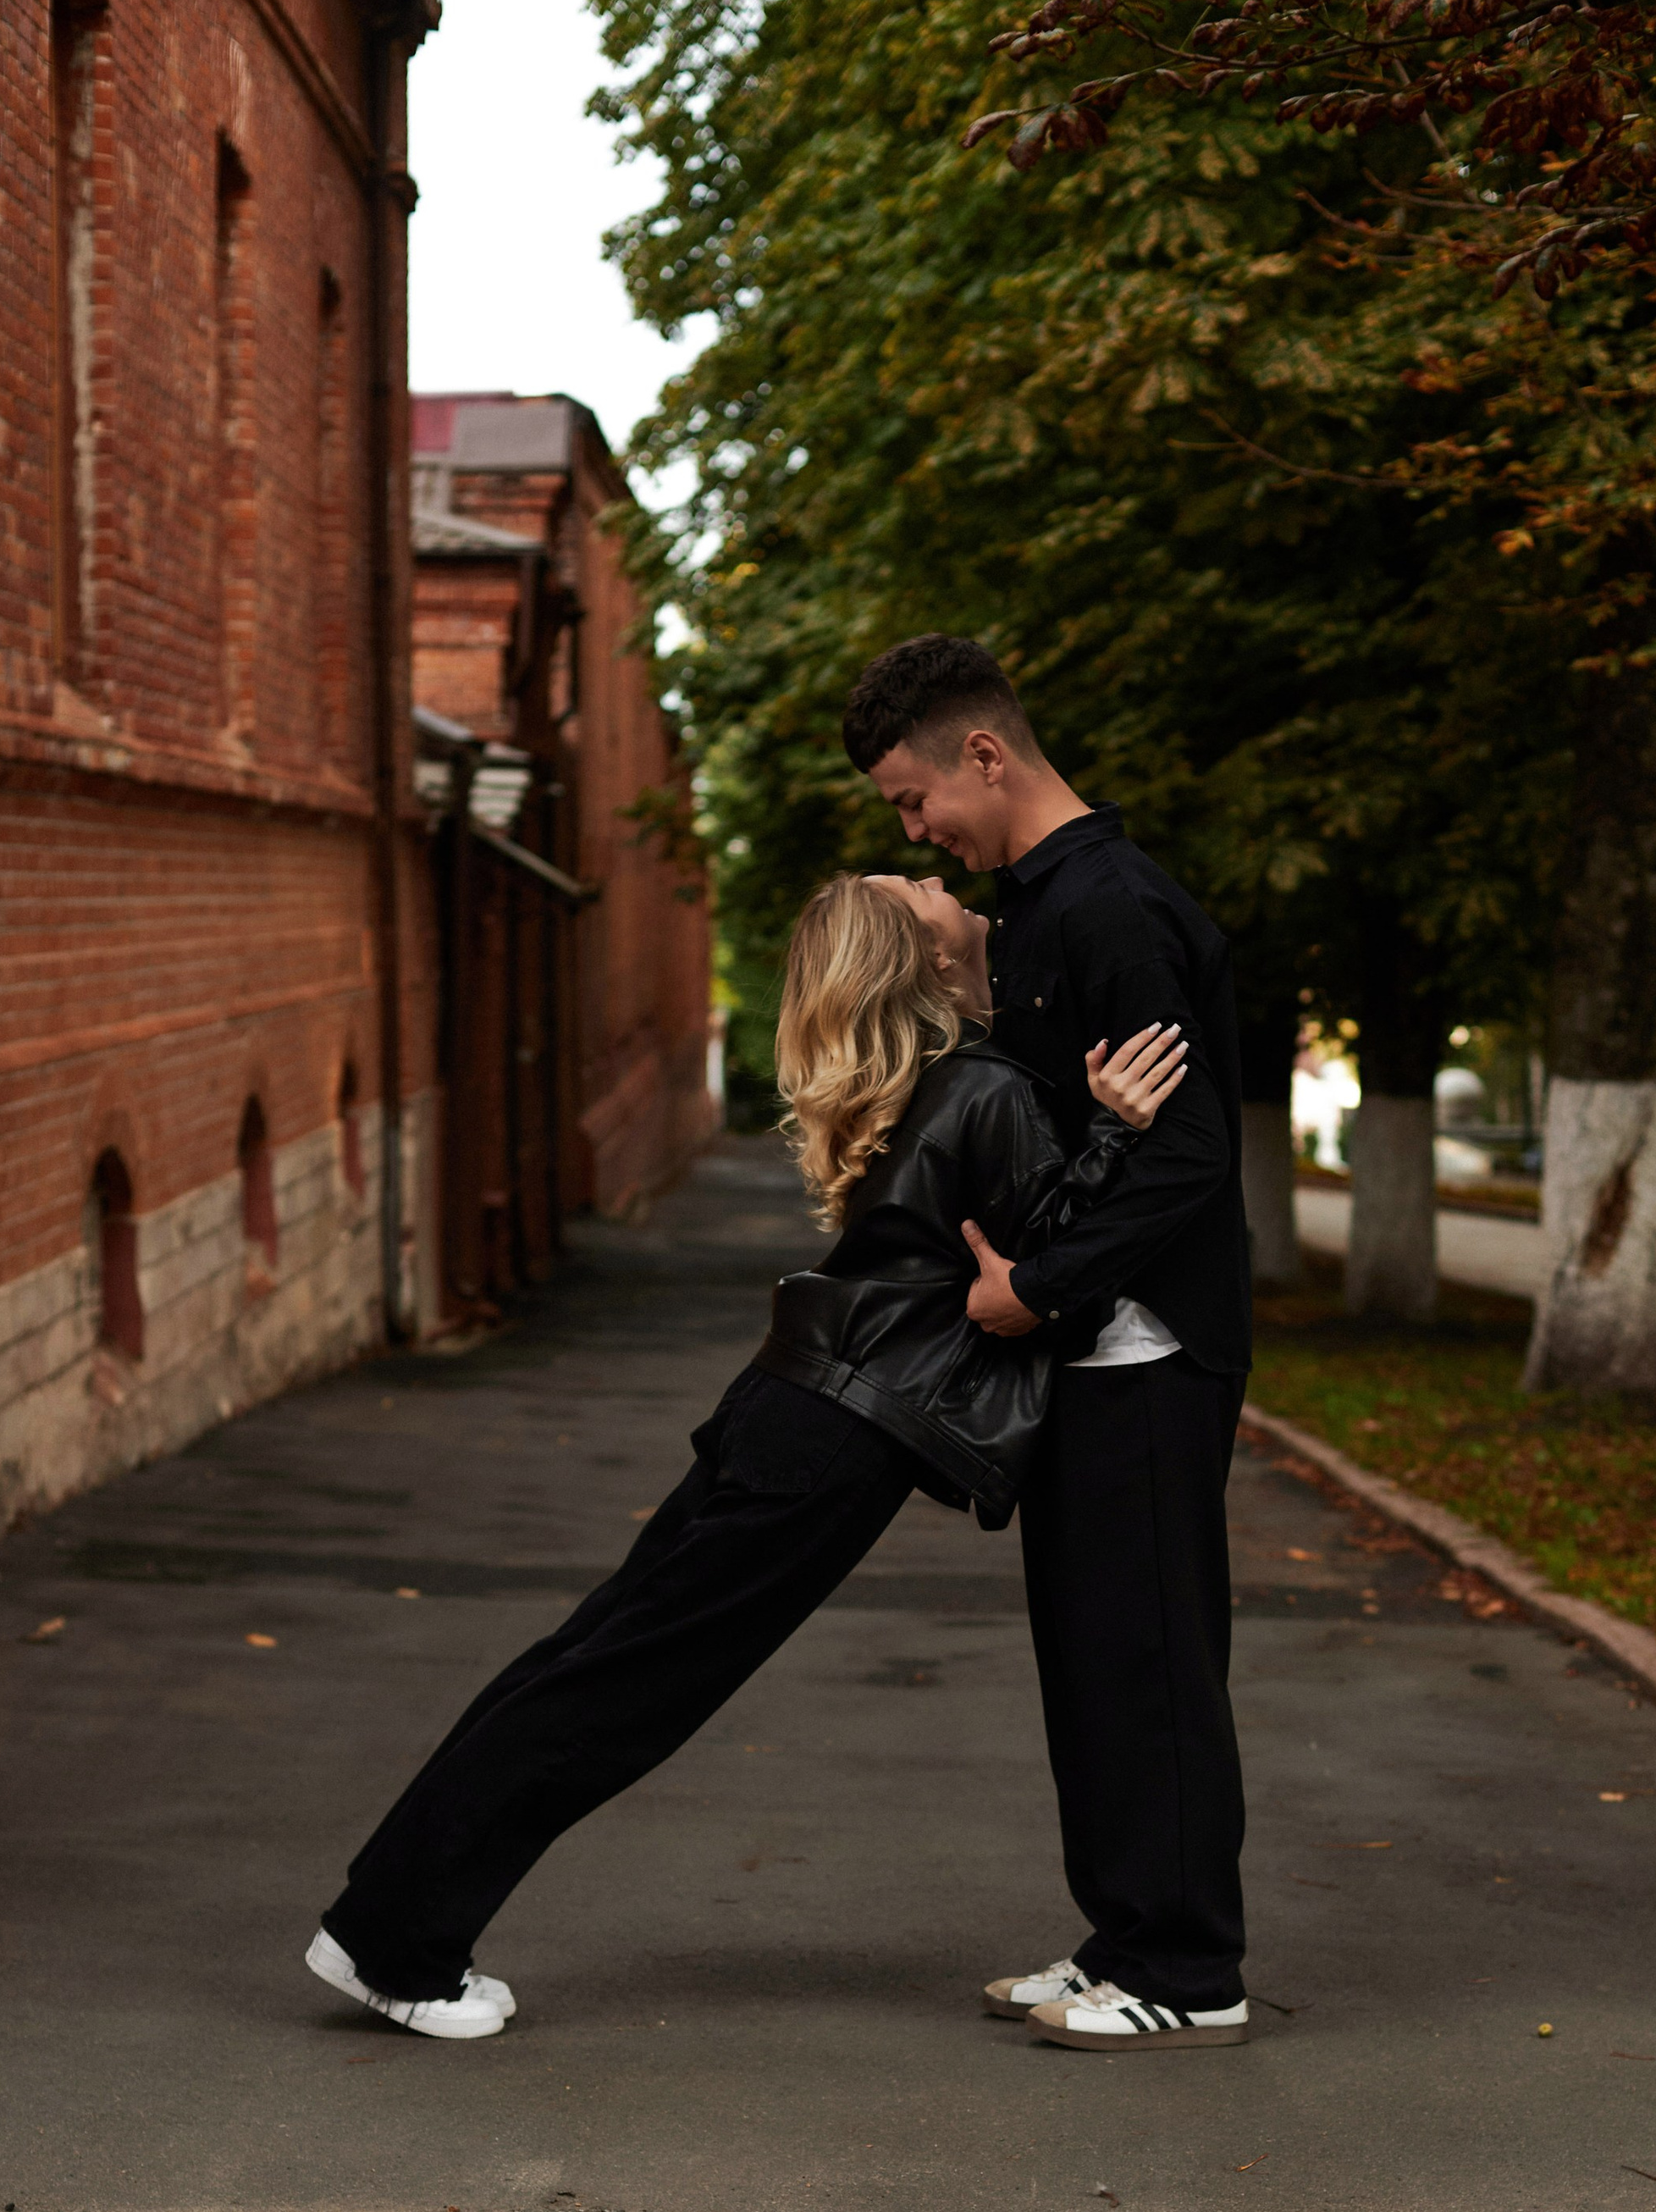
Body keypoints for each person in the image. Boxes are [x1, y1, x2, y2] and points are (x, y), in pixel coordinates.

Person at [306, 870, 1186, 2040]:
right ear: (920, 963)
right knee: (622, 1684)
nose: (947, 883)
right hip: (830, 1441)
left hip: (786, 1407)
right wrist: (1120, 1135)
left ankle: (387, 1919)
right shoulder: (983, 1087)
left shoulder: (925, 1084)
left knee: (597, 1657)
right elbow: (1041, 1283)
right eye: (923, 894)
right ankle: (394, 1943)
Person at [842, 634, 1251, 2050]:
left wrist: (1043, 1287)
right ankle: (1124, 1936)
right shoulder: (1042, 910)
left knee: (1150, 1657)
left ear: (986, 756)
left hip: (1140, 1346)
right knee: (1092, 1656)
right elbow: (1078, 1127)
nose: (916, 834)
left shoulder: (1113, 908)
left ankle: (1190, 1971)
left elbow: (1188, 1151)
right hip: (1089, 1350)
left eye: (913, 803)